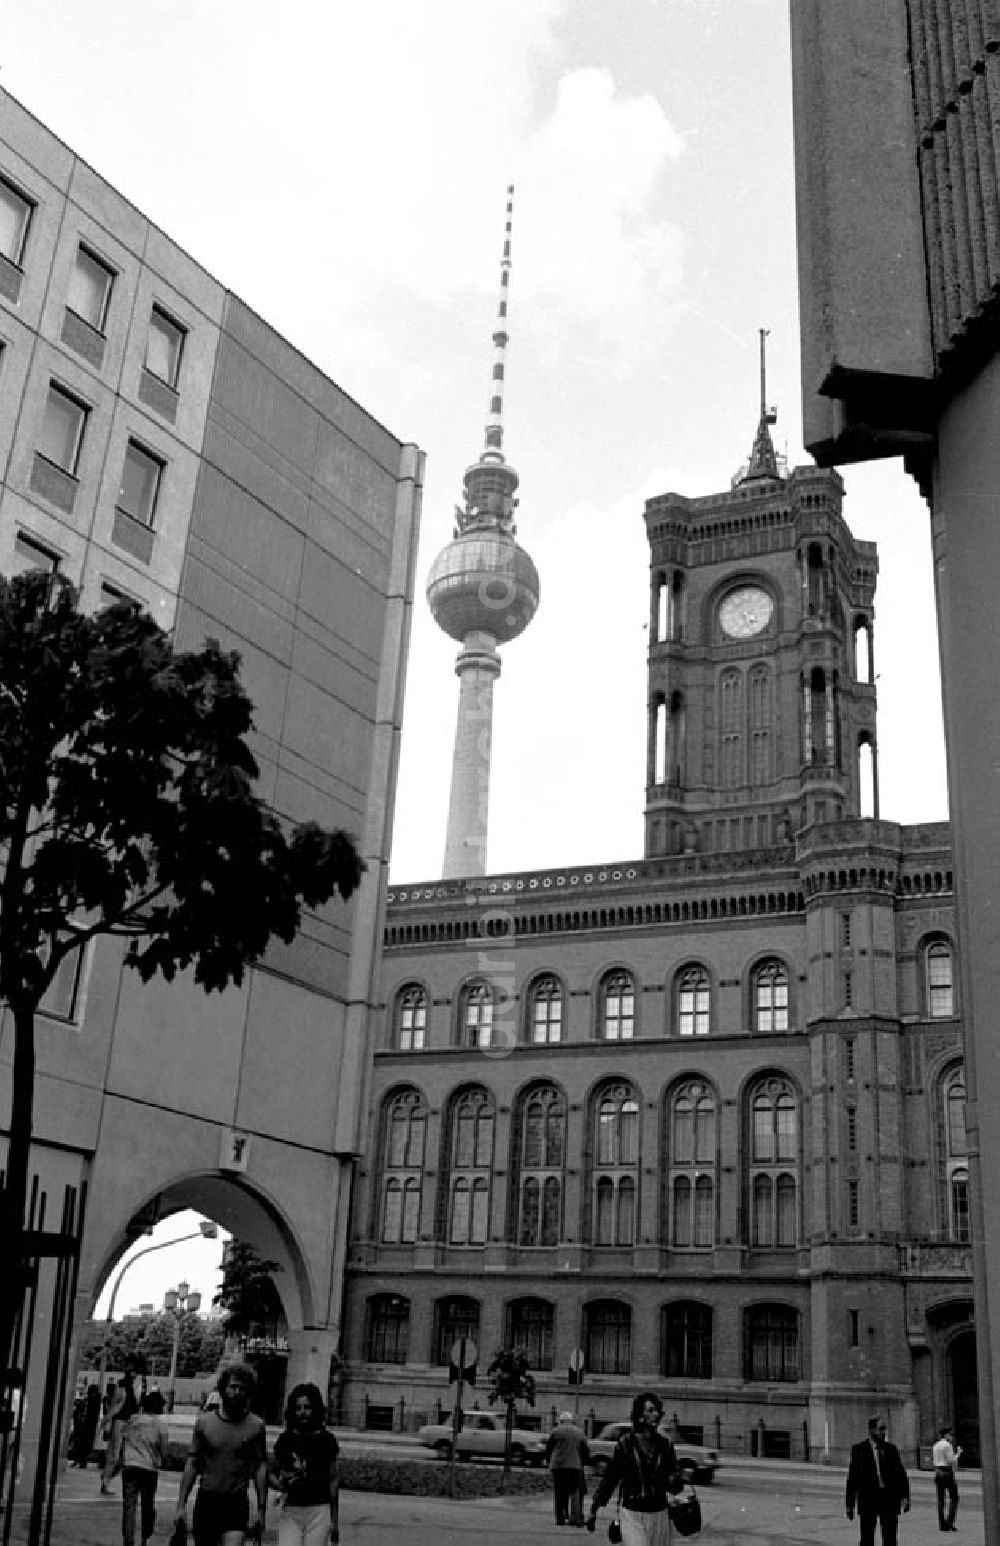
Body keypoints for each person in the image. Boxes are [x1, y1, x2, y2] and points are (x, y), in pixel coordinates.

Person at [173, 1363, 268, 1546]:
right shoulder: (204, 1423)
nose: (237, 1392)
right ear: (223, 1388)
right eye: (233, 1386)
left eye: (242, 1388)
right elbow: (192, 1463)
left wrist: (261, 1509)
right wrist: (181, 1505)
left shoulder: (256, 1426)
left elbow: (260, 1467)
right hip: (208, 1499)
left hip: (236, 1501)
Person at [586, 1391, 682, 1544]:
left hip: (659, 1514)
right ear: (640, 1415)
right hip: (632, 1513)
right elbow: (611, 1477)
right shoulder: (626, 1444)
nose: (656, 1414)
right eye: (650, 1410)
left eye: (657, 1410)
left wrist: (676, 1479)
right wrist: (594, 1509)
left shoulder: (666, 1445)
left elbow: (675, 1484)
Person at [270, 1381, 340, 1546]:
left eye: (307, 1407)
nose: (302, 1412)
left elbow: (333, 1481)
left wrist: (335, 1522)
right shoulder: (285, 1440)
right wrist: (280, 1484)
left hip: (319, 1510)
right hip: (291, 1510)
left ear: (315, 1408)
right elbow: (270, 1473)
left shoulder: (326, 1440)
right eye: (298, 1408)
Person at [846, 1416, 911, 1546]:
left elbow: (901, 1475)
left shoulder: (891, 1449)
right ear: (871, 1430)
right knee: (867, 1538)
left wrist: (905, 1496)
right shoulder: (860, 1450)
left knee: (890, 1538)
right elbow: (853, 1479)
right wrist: (850, 1504)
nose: (883, 1432)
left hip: (889, 1499)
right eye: (880, 1429)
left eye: (884, 1429)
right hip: (868, 1498)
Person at [120, 1389, 170, 1546]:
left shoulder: (133, 1420)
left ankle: (128, 1541)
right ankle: (144, 1537)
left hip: (130, 1465)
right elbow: (164, 1450)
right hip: (149, 1468)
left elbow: (124, 1440)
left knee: (129, 1505)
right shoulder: (160, 1426)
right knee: (148, 1504)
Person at [545, 1410, 589, 1527]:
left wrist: (548, 1461)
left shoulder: (555, 1431)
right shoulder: (579, 1432)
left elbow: (549, 1448)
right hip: (574, 1466)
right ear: (571, 1421)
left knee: (559, 1492)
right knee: (575, 1492)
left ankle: (560, 1518)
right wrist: (583, 1462)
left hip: (558, 1466)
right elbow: (585, 1449)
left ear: (561, 1421)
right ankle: (575, 1518)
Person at [932, 1424, 962, 1532]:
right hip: (947, 1472)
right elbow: (951, 1461)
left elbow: (935, 1461)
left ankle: (942, 1524)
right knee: (954, 1497)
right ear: (946, 1435)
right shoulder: (947, 1446)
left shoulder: (935, 1445)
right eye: (951, 1435)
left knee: (941, 1499)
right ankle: (949, 1522)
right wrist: (958, 1454)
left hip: (938, 1472)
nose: (952, 1437)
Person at [69, 1383, 102, 1467]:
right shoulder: (88, 1401)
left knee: (83, 1443)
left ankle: (80, 1460)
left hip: (86, 1425)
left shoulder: (92, 1401)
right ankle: (80, 1460)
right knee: (82, 1443)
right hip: (86, 1426)